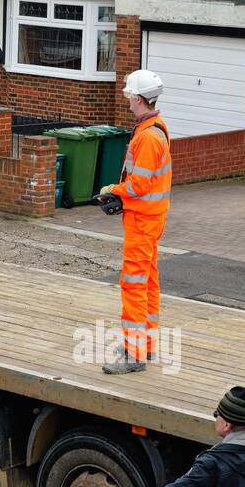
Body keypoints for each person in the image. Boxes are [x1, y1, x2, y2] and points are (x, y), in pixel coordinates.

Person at [100, 69, 170, 373]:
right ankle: (146, 343)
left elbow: (138, 185)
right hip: (149, 219)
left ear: (140, 99)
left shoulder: (149, 137)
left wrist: (112, 190)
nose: (127, 100)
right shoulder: (154, 128)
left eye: (130, 96)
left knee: (133, 285)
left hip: (142, 222)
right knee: (148, 282)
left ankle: (133, 353)